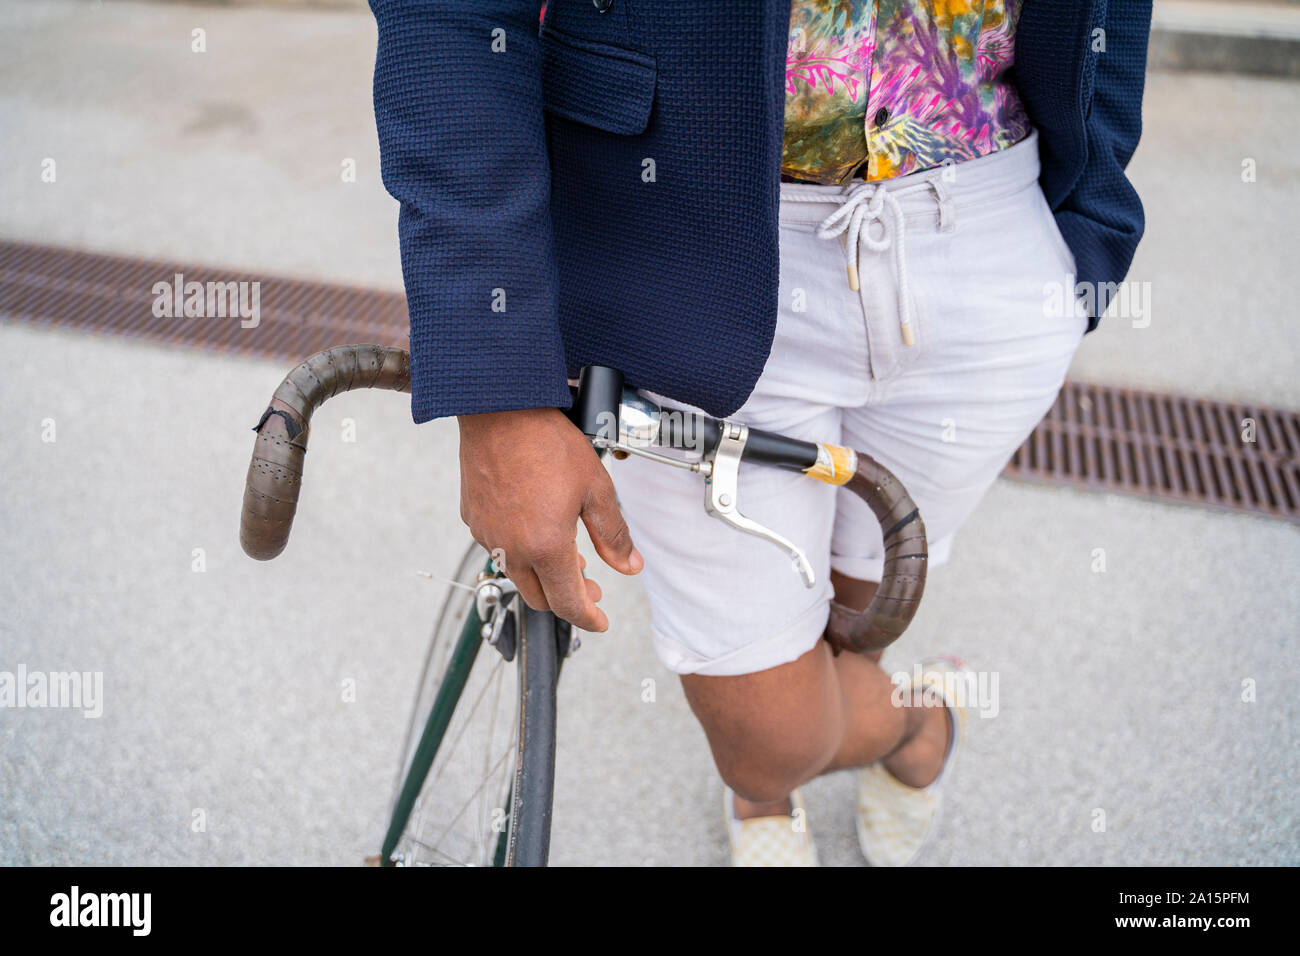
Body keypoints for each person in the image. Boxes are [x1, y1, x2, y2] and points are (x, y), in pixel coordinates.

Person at [368, 0, 1151, 866]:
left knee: (855, 614)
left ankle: (803, 762)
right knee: (768, 734)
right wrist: (500, 389)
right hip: (685, 249)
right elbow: (451, 17)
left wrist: (1089, 238)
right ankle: (912, 727)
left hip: (991, 242)